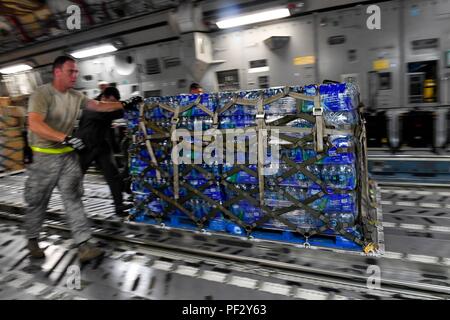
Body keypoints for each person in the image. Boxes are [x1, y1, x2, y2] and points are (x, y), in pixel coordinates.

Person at [25, 56, 141, 262]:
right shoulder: (42, 94)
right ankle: (33, 238)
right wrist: (64, 137)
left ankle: (84, 245)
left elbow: (99, 106)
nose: (75, 75)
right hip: (45, 157)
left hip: (67, 155)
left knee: (73, 198)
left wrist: (125, 103)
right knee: (38, 201)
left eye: (77, 72)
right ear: (57, 72)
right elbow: (35, 124)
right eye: (71, 71)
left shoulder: (75, 95)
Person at [76, 86, 131, 217]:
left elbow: (114, 112)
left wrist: (129, 106)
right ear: (103, 97)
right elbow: (108, 113)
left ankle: (119, 206)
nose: (111, 105)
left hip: (101, 146)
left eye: (114, 102)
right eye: (110, 101)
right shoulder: (92, 105)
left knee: (113, 176)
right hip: (85, 146)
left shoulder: (108, 107)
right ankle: (74, 208)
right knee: (76, 178)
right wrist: (125, 105)